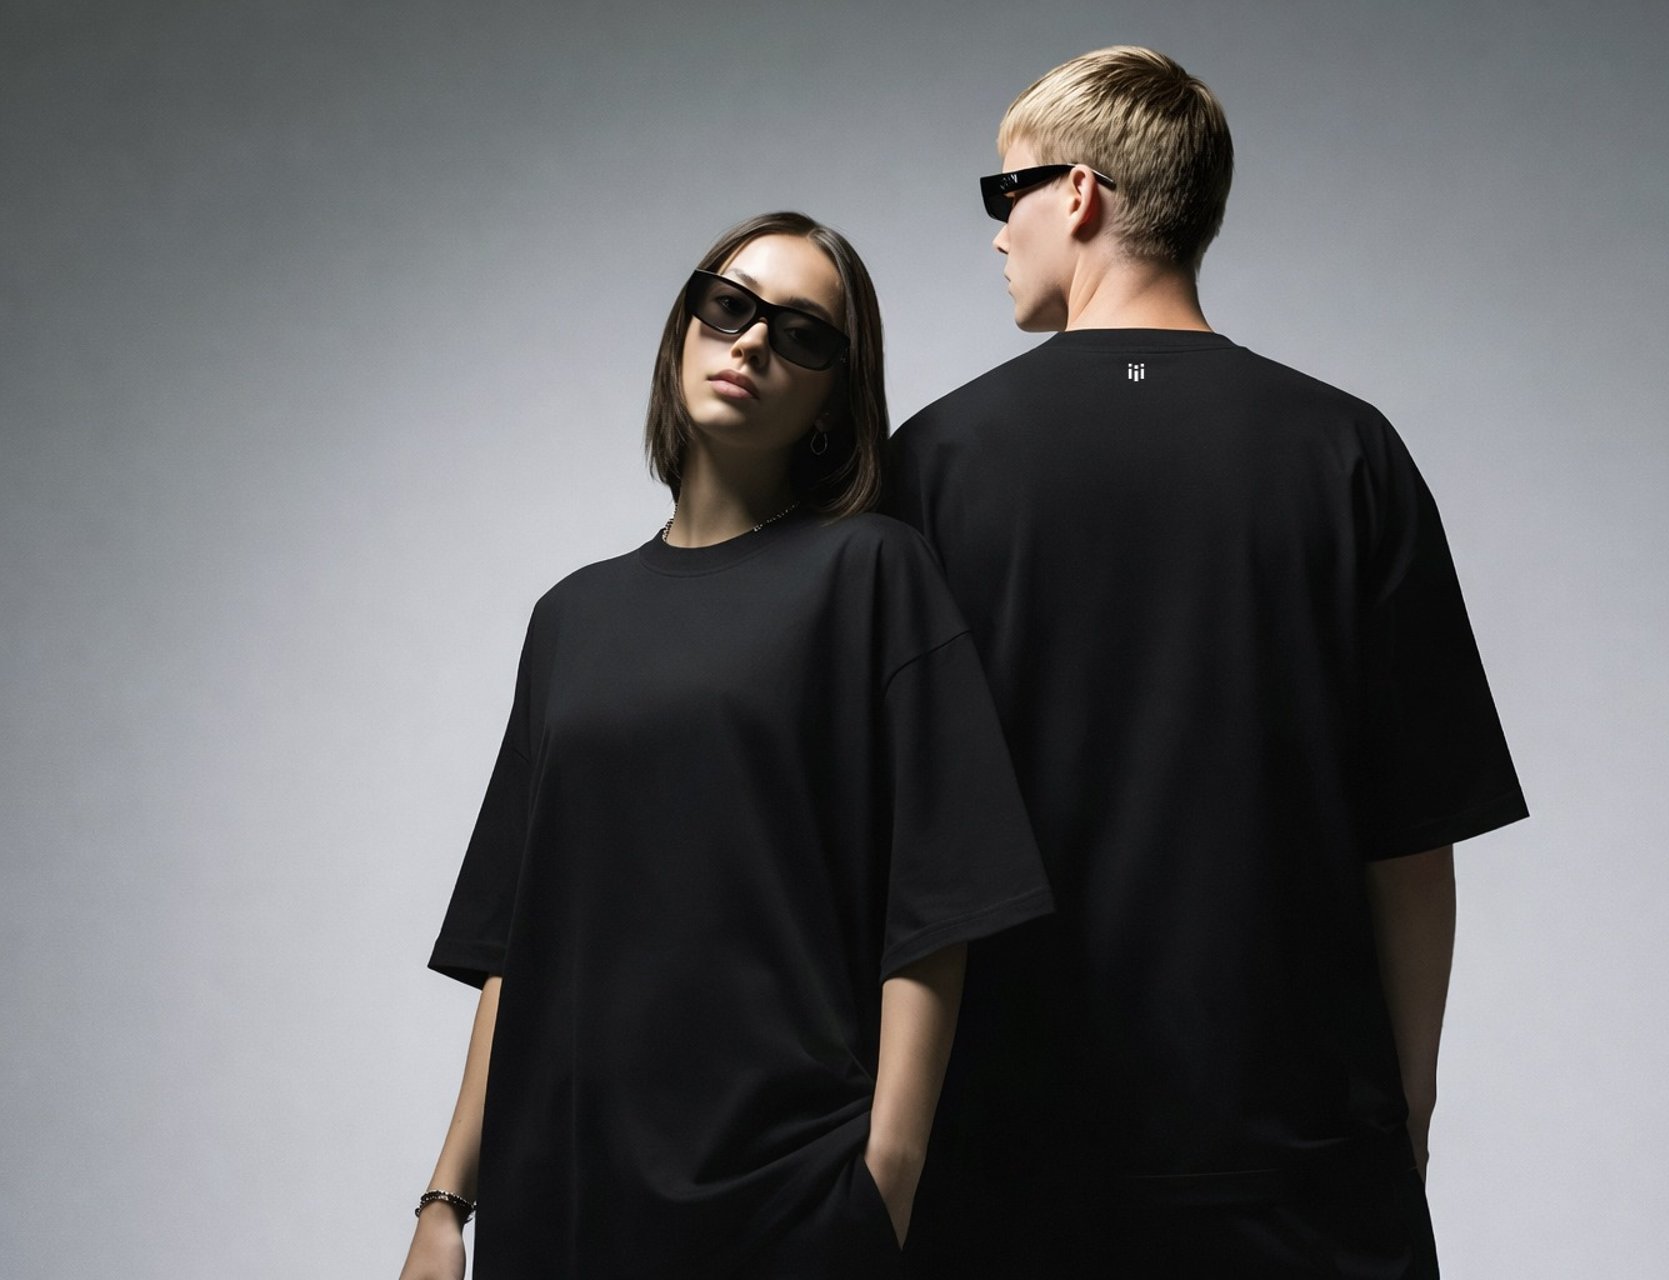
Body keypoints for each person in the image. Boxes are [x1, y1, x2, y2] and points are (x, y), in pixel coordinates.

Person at [883, 48, 1528, 1277]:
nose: (997, 234)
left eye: (1000, 194)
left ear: (1077, 195)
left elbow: (884, 839)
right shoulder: (1347, 453)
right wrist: (1408, 1105)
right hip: (1297, 1158)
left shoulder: (936, 465)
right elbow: (1411, 836)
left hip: (1006, 1152)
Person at [397, 211, 1053, 1280]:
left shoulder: (873, 575)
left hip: (781, 1202)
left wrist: (886, 1174)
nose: (751, 343)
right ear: (683, 329)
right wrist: (445, 1200)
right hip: (560, 1198)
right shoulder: (571, 616)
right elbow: (519, 938)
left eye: (803, 333)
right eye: (730, 306)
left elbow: (938, 906)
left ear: (837, 391)